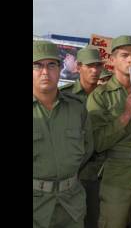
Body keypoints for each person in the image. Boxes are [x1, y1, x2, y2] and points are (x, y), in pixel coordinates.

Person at [86, 35, 131, 228]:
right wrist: (126, 115)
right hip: (116, 178)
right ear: (112, 60)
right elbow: (97, 142)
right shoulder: (100, 96)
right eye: (124, 55)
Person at [33, 40, 94, 228]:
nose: (45, 72)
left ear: (60, 69)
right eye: (37, 65)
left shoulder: (76, 108)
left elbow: (87, 149)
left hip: (71, 204)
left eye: (51, 65)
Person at [60, 47, 104, 228]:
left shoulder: (106, 96)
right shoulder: (65, 95)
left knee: (97, 220)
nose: (95, 71)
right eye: (90, 66)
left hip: (101, 171)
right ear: (78, 67)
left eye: (98, 66)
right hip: (73, 172)